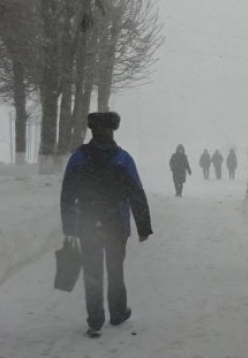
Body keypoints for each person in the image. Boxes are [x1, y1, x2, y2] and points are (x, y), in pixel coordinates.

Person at [60, 112, 153, 338]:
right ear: (112, 131)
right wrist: (143, 227)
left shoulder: (79, 158)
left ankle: (95, 319)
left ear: (92, 131)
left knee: (92, 271)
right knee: (115, 270)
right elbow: (136, 193)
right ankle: (118, 312)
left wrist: (70, 226)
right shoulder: (123, 159)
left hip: (87, 223)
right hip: (116, 225)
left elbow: (68, 193)